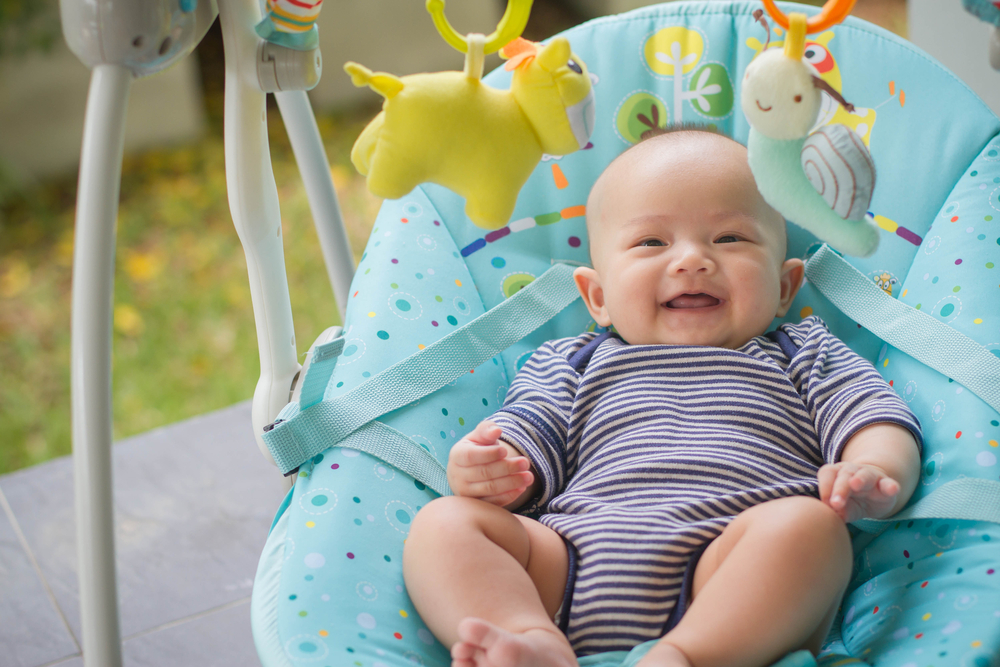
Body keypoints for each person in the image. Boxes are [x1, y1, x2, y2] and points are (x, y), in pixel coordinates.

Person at [401, 127, 922, 667]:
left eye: (730, 239)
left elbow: (874, 416)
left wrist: (874, 471)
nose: (692, 260)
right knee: (445, 524)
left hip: (730, 569)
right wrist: (489, 470)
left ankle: (686, 656)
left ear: (785, 287)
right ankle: (530, 639)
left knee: (810, 530)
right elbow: (524, 446)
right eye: (652, 243)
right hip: (570, 568)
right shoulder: (571, 362)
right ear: (597, 297)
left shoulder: (801, 351)